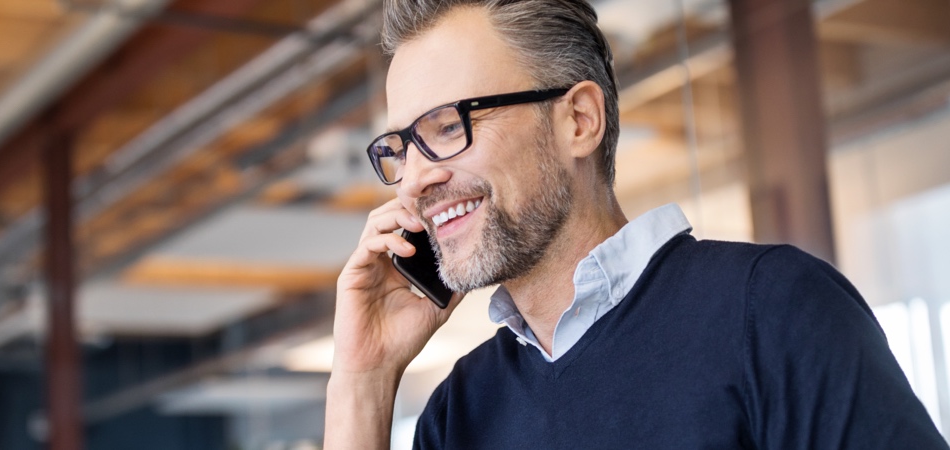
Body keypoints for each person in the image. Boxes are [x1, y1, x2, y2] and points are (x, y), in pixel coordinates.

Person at [324, 0, 948, 448]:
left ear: (578, 121)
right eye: (402, 146)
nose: (411, 180)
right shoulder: (457, 414)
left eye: (447, 127)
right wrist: (362, 382)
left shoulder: (773, 309)